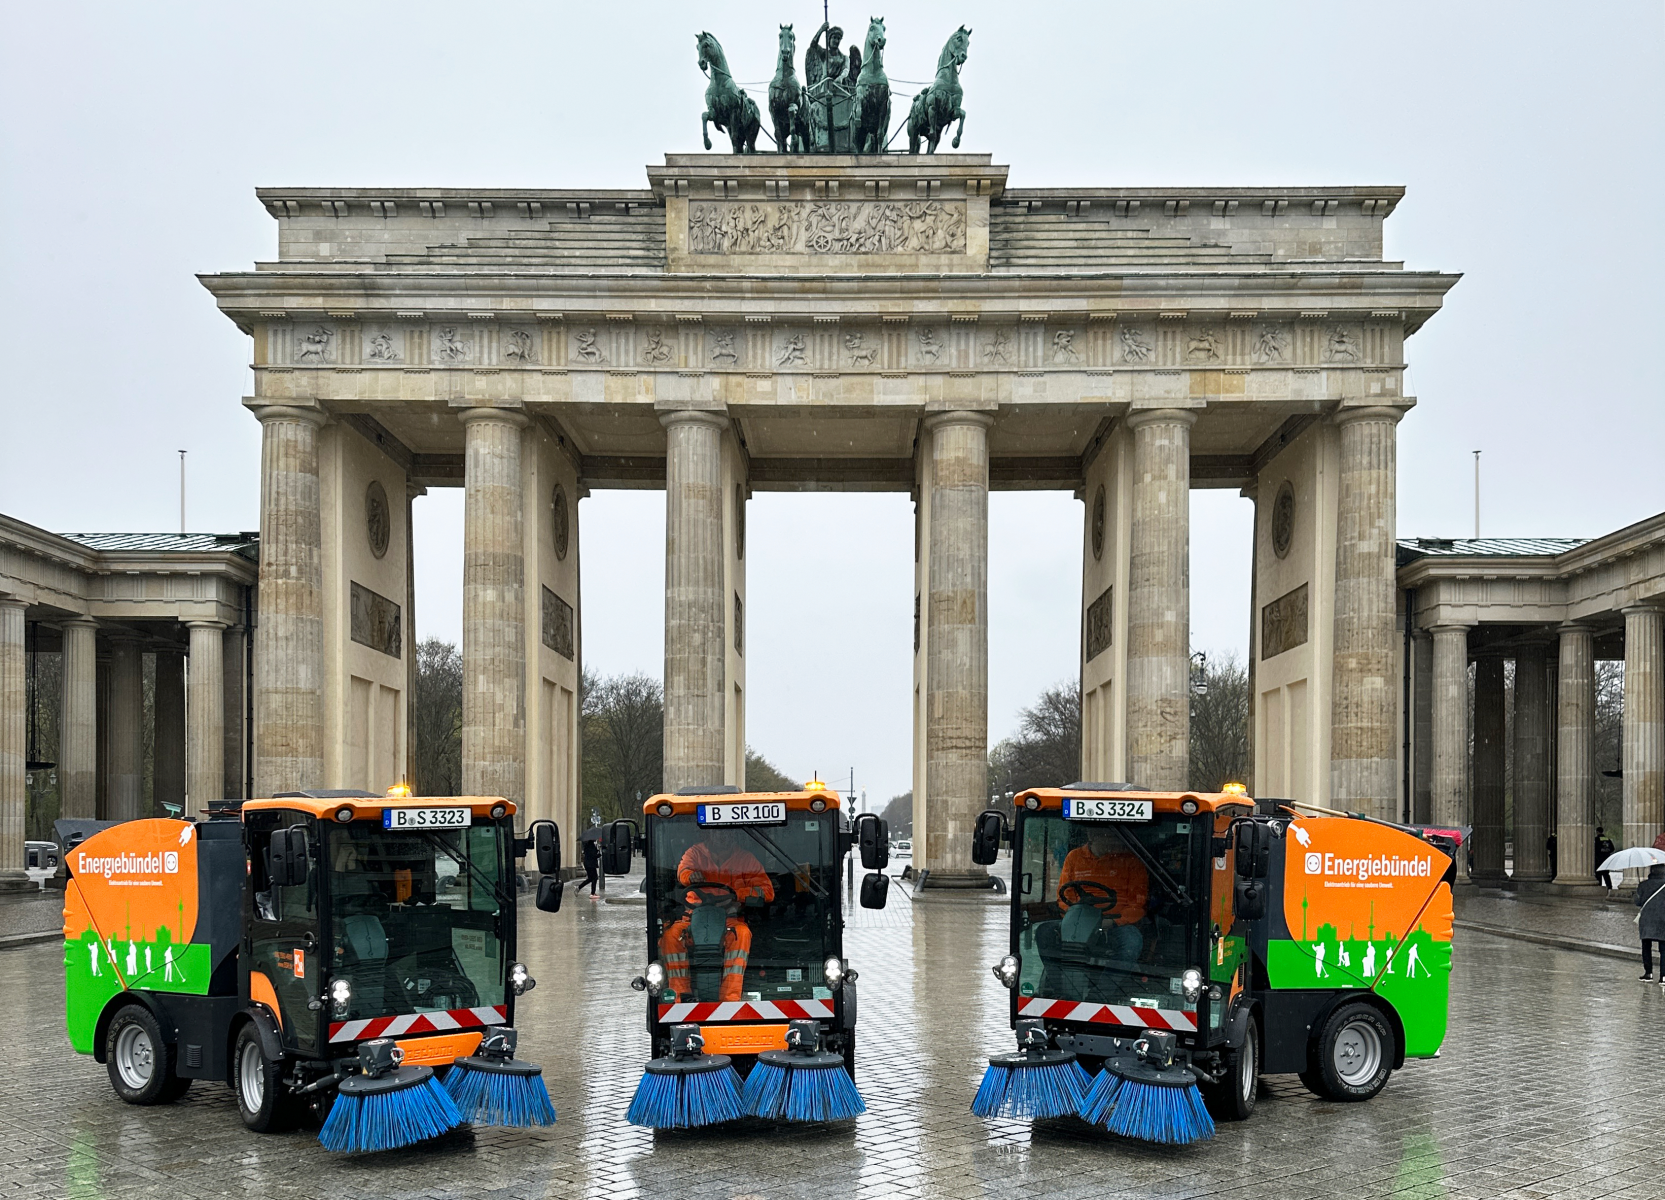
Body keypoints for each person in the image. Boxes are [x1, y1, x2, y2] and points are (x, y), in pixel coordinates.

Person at [660, 840, 775, 1001]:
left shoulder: (745, 859)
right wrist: (691, 876)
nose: (721, 835)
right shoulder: (695, 853)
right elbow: (683, 871)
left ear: (732, 834)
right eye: (716, 832)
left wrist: (737, 894)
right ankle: (680, 995)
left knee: (742, 934)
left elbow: (767, 892)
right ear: (707, 833)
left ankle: (730, 998)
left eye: (725, 833)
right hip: (693, 917)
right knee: (671, 936)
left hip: (729, 918)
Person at [1057, 827, 1149, 960]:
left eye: (1117, 838)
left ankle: (1109, 980)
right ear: (1092, 836)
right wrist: (1072, 918)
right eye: (1109, 837)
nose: (1116, 843)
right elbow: (1064, 895)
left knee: (1132, 941)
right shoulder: (1074, 857)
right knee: (1044, 932)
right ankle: (1058, 978)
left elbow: (1138, 902)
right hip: (1078, 920)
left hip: (1114, 923)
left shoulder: (1131, 861)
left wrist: (1114, 922)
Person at [1637, 864, 1665, 983]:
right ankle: (1663, 976)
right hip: (1663, 920)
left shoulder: (1643, 885)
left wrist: (1638, 891)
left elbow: (1638, 902)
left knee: (1646, 946)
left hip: (1647, 920)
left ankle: (1648, 973)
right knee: (1663, 949)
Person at [581, 834, 600, 899]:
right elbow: (593, 855)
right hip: (591, 864)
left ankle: (579, 887)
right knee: (594, 878)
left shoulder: (587, 846)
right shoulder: (591, 846)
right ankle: (592, 894)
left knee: (591, 878)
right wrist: (599, 854)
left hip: (588, 864)